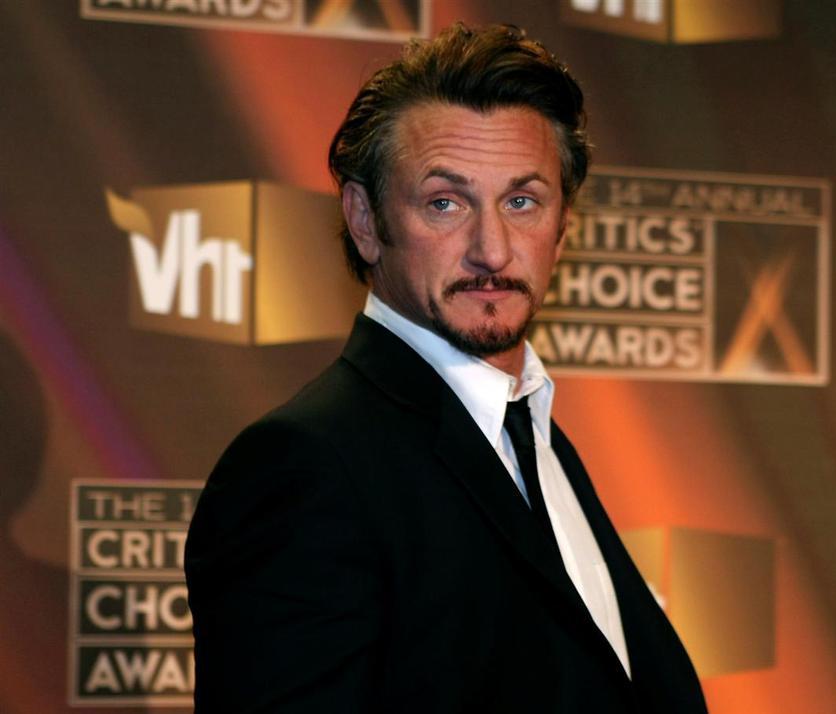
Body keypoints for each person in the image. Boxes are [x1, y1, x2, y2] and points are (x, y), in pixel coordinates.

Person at [185, 22, 708, 714]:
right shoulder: (304, 467)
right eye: (445, 203)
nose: (492, 249)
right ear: (365, 221)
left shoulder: (531, 437)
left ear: (562, 227)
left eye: (521, 201)